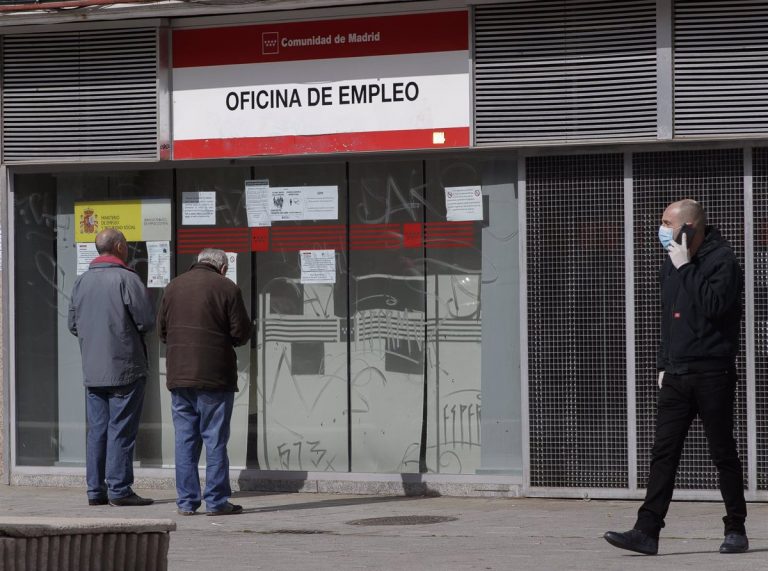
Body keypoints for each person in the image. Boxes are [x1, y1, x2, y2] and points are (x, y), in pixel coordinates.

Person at [604, 199, 748, 555]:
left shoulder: (722, 262)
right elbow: (669, 320)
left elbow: (714, 306)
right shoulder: (670, 263)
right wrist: (663, 364)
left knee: (722, 452)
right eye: (662, 222)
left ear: (689, 228)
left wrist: (686, 268)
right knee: (663, 453)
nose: (662, 229)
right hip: (677, 373)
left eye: (668, 223)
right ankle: (646, 531)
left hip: (713, 371)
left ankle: (736, 529)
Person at [158, 248, 252, 516]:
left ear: (198, 263)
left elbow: (162, 331)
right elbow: (241, 333)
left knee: (185, 440)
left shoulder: (173, 287)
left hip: (179, 376)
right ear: (222, 268)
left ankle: (186, 502)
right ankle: (216, 501)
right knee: (215, 439)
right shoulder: (227, 288)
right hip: (215, 377)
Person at [68, 228, 155, 507]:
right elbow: (146, 321)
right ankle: (119, 489)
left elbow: (72, 324)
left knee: (97, 430)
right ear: (118, 246)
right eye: (126, 245)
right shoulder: (126, 279)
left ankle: (96, 490)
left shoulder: (82, 282)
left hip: (93, 370)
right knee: (121, 430)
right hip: (124, 367)